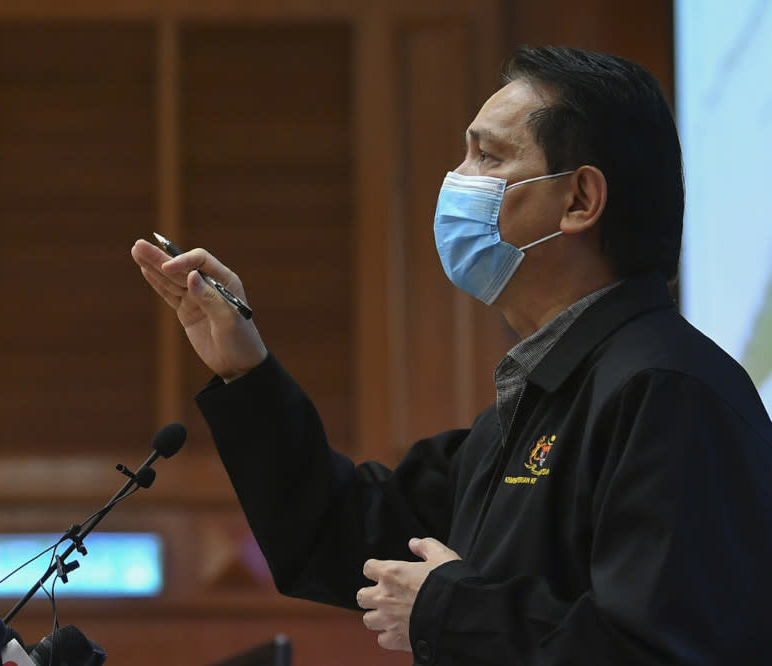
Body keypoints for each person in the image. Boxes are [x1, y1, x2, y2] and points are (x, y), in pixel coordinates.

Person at [131, 46, 772, 665]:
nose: (456, 180)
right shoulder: (533, 404)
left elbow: (666, 650)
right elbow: (341, 533)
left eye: (487, 156)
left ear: (579, 201)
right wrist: (246, 372)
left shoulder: (667, 393)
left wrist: (450, 609)